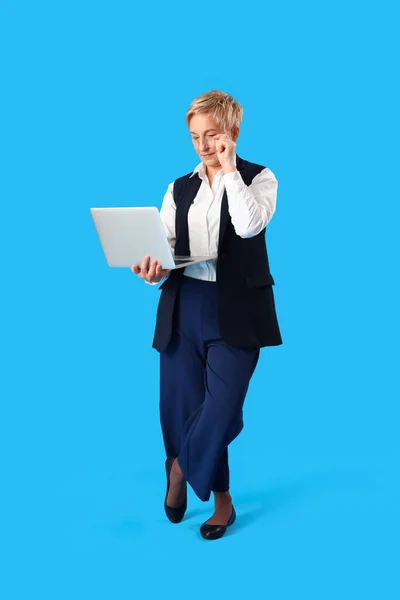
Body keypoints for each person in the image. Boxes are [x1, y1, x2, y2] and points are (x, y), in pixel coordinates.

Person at [131, 90, 282, 540]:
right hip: (183, 303)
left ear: (232, 133)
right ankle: (223, 502)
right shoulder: (178, 188)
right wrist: (150, 271)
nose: (202, 145)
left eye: (212, 135)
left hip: (238, 308)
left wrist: (230, 170)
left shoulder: (260, 178)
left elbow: (250, 226)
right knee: (182, 409)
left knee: (221, 408)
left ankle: (179, 468)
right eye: (195, 136)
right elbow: (162, 251)